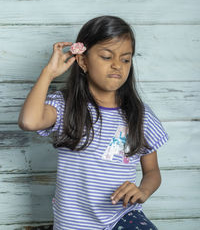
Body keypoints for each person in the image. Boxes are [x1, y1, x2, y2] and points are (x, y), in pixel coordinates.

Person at [18, 15, 169, 230]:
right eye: (107, 57)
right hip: (74, 223)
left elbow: (152, 171)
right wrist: (48, 73)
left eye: (125, 59)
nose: (118, 65)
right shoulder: (65, 105)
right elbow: (28, 121)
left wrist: (143, 191)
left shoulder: (139, 114)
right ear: (83, 61)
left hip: (121, 217)